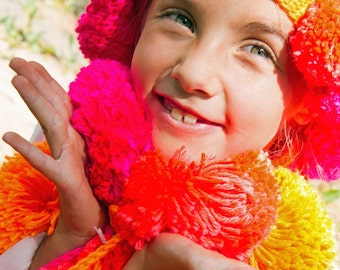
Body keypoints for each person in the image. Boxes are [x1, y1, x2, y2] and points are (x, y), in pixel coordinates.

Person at [0, 0, 338, 269]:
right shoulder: (66, 149)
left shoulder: (288, 251)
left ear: (308, 101)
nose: (193, 72)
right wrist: (71, 234)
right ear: (138, 28)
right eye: (181, 19)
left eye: (257, 50)